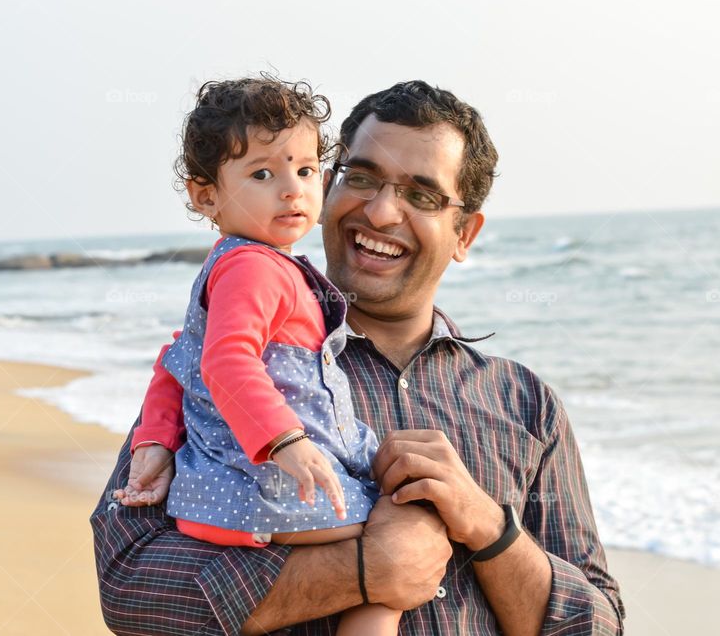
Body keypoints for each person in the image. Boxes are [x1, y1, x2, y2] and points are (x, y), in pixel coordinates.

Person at [92, 80, 626, 636]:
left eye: (422, 195)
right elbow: (129, 586)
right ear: (328, 187)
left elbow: (596, 625)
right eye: (362, 177)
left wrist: (489, 527)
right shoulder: (245, 364)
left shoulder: (527, 407)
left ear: (464, 233)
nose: (381, 211)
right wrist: (362, 572)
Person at [113, 76, 399, 634]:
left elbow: (180, 359)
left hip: (217, 496)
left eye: (307, 170)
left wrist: (154, 439)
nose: (292, 189)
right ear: (205, 196)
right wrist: (285, 441)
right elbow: (226, 362)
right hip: (269, 489)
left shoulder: (236, 263)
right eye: (263, 174)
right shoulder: (255, 267)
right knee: (404, 542)